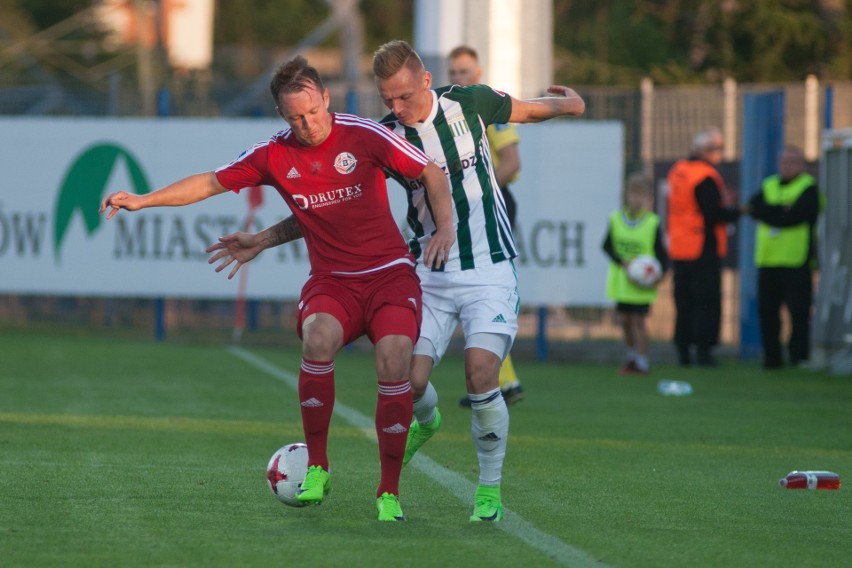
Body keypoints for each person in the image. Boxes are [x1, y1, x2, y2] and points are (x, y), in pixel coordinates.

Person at [209, 40, 584, 523]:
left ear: (425, 81)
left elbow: (530, 111)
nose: (396, 107)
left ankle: (488, 491)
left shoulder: (470, 102)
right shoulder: (385, 133)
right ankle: (426, 422)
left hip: (488, 266)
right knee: (407, 379)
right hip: (427, 269)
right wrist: (264, 238)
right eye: (387, 99)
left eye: (403, 96)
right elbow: (330, 208)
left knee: (480, 374)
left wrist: (571, 104)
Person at [100, 56, 456, 522]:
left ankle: (388, 492)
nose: (308, 125)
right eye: (295, 118)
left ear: (326, 98)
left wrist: (445, 228)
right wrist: (144, 200)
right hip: (332, 281)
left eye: (313, 112)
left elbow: (431, 172)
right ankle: (317, 468)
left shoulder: (364, 134)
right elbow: (209, 183)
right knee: (318, 337)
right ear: (282, 117)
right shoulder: (273, 154)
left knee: (393, 362)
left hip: (390, 274)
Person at [447, 45, 525, 407]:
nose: (458, 78)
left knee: (484, 292)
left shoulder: (488, 108)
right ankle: (501, 381)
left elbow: (511, 164)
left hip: (491, 204)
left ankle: (502, 382)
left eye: (464, 72)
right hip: (467, 207)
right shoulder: (448, 112)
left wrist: (475, 189)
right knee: (472, 294)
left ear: (477, 74)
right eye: (454, 72)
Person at [666, 127, 740, 367]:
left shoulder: (679, 170)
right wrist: (736, 212)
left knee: (684, 303)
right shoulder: (704, 175)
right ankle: (704, 352)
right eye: (717, 148)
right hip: (702, 246)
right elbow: (712, 213)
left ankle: (683, 352)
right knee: (706, 303)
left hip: (680, 247)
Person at [746, 145, 821, 369]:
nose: (785, 166)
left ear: (801, 165)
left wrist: (771, 213)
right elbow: (754, 207)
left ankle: (798, 356)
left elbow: (798, 216)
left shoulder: (808, 187)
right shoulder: (769, 184)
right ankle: (772, 358)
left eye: (790, 162)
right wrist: (780, 211)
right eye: (782, 162)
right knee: (767, 312)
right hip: (768, 261)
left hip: (795, 261)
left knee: (798, 312)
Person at [602, 173, 668, 375]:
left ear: (649, 198)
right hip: (623, 280)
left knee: (639, 321)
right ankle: (631, 355)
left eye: (642, 195)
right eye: (633, 194)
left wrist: (658, 276)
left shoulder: (652, 222)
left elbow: (662, 255)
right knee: (624, 320)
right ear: (626, 195)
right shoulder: (615, 218)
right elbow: (606, 246)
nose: (637, 199)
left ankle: (643, 361)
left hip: (641, 284)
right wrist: (623, 262)